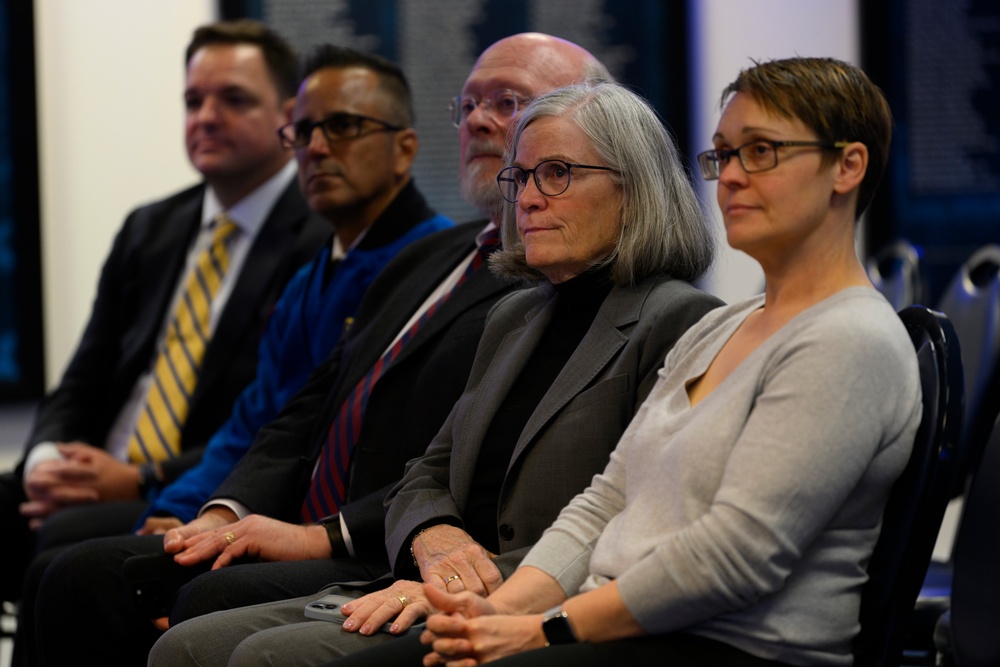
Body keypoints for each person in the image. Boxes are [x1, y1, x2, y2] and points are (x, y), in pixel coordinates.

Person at [30, 33, 625, 667]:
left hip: (392, 542)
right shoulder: (429, 258)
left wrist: (324, 535)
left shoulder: (557, 286)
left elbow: (475, 470)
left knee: (141, 586)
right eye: (468, 104)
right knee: (76, 569)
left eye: (508, 102)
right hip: (352, 524)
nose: (479, 120)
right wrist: (220, 510)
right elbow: (304, 410)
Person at [329, 59, 923, 667]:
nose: (732, 178)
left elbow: (735, 556)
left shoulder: (851, 338)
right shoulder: (725, 325)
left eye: (762, 152)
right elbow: (607, 500)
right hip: (617, 622)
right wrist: (504, 610)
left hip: (726, 646)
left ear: (848, 166)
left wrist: (545, 628)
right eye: (723, 155)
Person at [147, 74, 724, 667]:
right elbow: (426, 473)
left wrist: (463, 586)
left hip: (538, 603)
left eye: (557, 174)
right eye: (520, 176)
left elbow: (634, 522)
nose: (526, 199)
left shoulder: (680, 319)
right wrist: (432, 538)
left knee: (262, 658)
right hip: (431, 579)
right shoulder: (515, 315)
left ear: (637, 188)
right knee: (184, 647)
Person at [9, 42, 453, 667]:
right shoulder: (314, 276)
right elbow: (259, 424)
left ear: (406, 147)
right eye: (303, 131)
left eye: (344, 127)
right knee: (72, 564)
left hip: (356, 527)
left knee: (79, 571)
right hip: (266, 507)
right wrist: (182, 509)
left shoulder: (435, 267)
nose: (318, 148)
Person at [0, 19, 329, 605]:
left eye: (233, 99)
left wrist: (140, 478)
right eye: (192, 100)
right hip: (95, 469)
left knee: (64, 550)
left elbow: (283, 415)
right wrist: (48, 461)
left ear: (288, 118)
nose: (204, 116)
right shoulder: (150, 228)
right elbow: (82, 378)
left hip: (193, 484)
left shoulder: (320, 239)